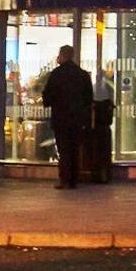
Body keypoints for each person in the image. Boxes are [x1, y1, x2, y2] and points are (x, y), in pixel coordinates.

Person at [41, 46, 91, 189]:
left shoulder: (56, 74)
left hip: (61, 118)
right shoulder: (82, 75)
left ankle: (65, 179)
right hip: (77, 119)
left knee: (63, 149)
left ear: (62, 55)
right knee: (75, 148)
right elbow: (88, 98)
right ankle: (74, 179)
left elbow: (48, 96)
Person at [88, 65, 116, 183]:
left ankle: (97, 174)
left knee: (97, 151)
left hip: (96, 125)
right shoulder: (108, 90)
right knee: (104, 151)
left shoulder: (94, 89)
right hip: (104, 125)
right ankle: (104, 174)